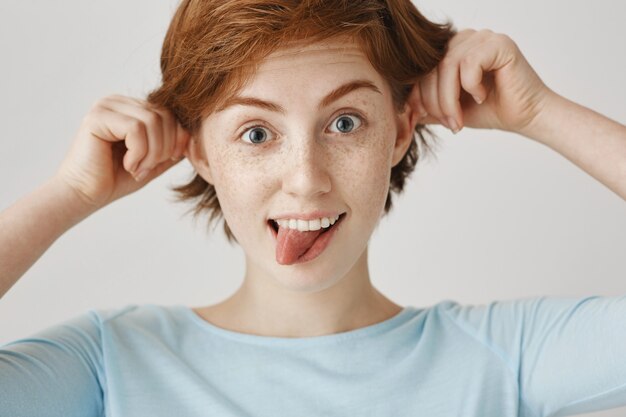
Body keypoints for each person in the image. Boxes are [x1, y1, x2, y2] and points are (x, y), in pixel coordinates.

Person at [1, 0, 625, 416]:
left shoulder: (504, 356)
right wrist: (70, 195)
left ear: (400, 131)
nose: (305, 180)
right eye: (255, 133)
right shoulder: (109, 363)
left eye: (345, 122)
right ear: (200, 152)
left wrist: (542, 114)